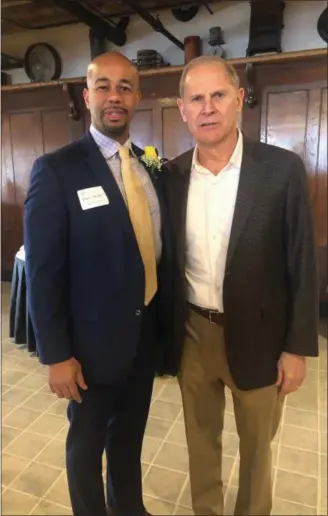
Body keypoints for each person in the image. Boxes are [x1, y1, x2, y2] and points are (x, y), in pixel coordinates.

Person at [162, 55, 319, 516]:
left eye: (218, 95)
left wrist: (296, 349)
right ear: (182, 108)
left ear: (239, 101)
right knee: (200, 439)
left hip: (261, 335)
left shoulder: (282, 170)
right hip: (193, 331)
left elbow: (302, 263)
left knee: (257, 448)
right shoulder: (170, 177)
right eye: (196, 98)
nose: (207, 107)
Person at [24, 51, 174, 516]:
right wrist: (56, 355)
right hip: (87, 350)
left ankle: (130, 508)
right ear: (87, 96)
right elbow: (43, 273)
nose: (115, 96)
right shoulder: (57, 170)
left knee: (129, 438)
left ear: (137, 97)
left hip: (142, 336)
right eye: (104, 86)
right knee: (86, 448)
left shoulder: (150, 168)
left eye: (125, 87)